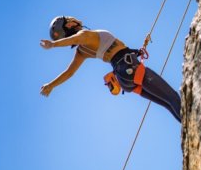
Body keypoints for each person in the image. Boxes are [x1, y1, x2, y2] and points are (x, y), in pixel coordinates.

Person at [40, 16, 181, 122]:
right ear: (70, 24)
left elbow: (69, 72)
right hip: (128, 67)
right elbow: (74, 40)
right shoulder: (84, 35)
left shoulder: (82, 52)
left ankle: (187, 128)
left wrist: (50, 85)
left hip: (124, 77)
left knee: (169, 104)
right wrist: (53, 45)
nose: (72, 18)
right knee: (172, 98)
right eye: (69, 19)